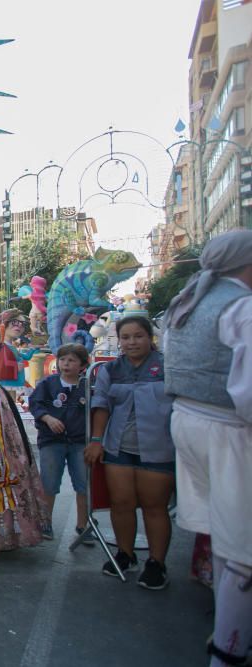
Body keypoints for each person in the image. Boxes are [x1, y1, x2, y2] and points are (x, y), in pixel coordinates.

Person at [163, 229, 252, 666]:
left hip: (188, 421)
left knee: (226, 538)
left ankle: (229, 631)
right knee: (243, 546)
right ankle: (229, 648)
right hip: (229, 430)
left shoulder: (188, 303)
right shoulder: (241, 307)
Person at [85, 316, 174, 588]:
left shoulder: (168, 367)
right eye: (126, 337)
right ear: (119, 340)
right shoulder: (110, 370)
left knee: (154, 507)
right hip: (118, 447)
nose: (132, 342)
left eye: (138, 336)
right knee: (121, 504)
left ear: (150, 338)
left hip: (159, 449)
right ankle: (125, 554)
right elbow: (101, 405)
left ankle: (157, 564)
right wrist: (97, 440)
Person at [28, 343, 91, 543]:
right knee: (49, 483)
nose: (66, 364)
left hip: (80, 442)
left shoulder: (88, 386)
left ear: (82, 365)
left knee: (83, 485)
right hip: (51, 442)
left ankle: (83, 525)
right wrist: (47, 418)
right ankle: (46, 522)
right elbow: (35, 404)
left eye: (72, 360)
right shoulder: (48, 384)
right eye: (63, 359)